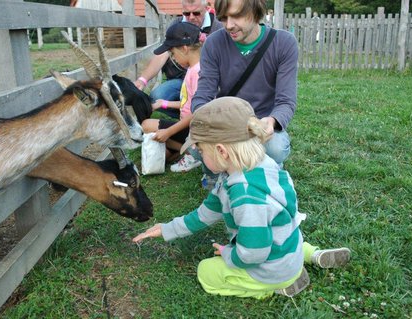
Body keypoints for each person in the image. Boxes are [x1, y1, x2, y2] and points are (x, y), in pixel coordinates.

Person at [133, 97, 351, 299]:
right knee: (287, 236)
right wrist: (169, 228)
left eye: (200, 150)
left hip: (267, 264)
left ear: (221, 151)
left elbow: (253, 253)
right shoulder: (262, 165)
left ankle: (273, 286)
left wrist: (229, 253)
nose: (197, 154)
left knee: (206, 272)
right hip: (288, 243)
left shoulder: (244, 195)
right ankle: (310, 255)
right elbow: (207, 211)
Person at [190, 0, 297, 188]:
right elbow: (203, 95)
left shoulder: (284, 43)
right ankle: (215, 176)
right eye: (224, 18)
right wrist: (204, 125)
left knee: (276, 148)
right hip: (226, 122)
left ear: (256, 11)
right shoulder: (213, 44)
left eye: (237, 16)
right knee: (196, 146)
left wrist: (271, 122)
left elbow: (286, 102)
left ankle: (268, 170)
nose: (229, 25)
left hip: (260, 122)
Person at [134, 0, 223, 119]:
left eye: (196, 13)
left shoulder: (219, 29)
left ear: (207, 8)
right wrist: (142, 80)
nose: (191, 17)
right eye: (186, 13)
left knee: (202, 101)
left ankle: (189, 116)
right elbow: (162, 54)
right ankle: (185, 113)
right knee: (157, 96)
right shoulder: (176, 24)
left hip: (210, 80)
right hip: (182, 79)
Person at [141, 22, 203, 172]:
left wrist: (169, 132)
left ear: (184, 48)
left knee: (146, 126)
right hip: (189, 126)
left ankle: (195, 154)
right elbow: (188, 103)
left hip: (194, 130)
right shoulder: (193, 68)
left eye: (172, 53)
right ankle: (184, 151)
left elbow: (197, 112)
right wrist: (164, 104)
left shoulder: (197, 72)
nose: (173, 59)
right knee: (165, 156)